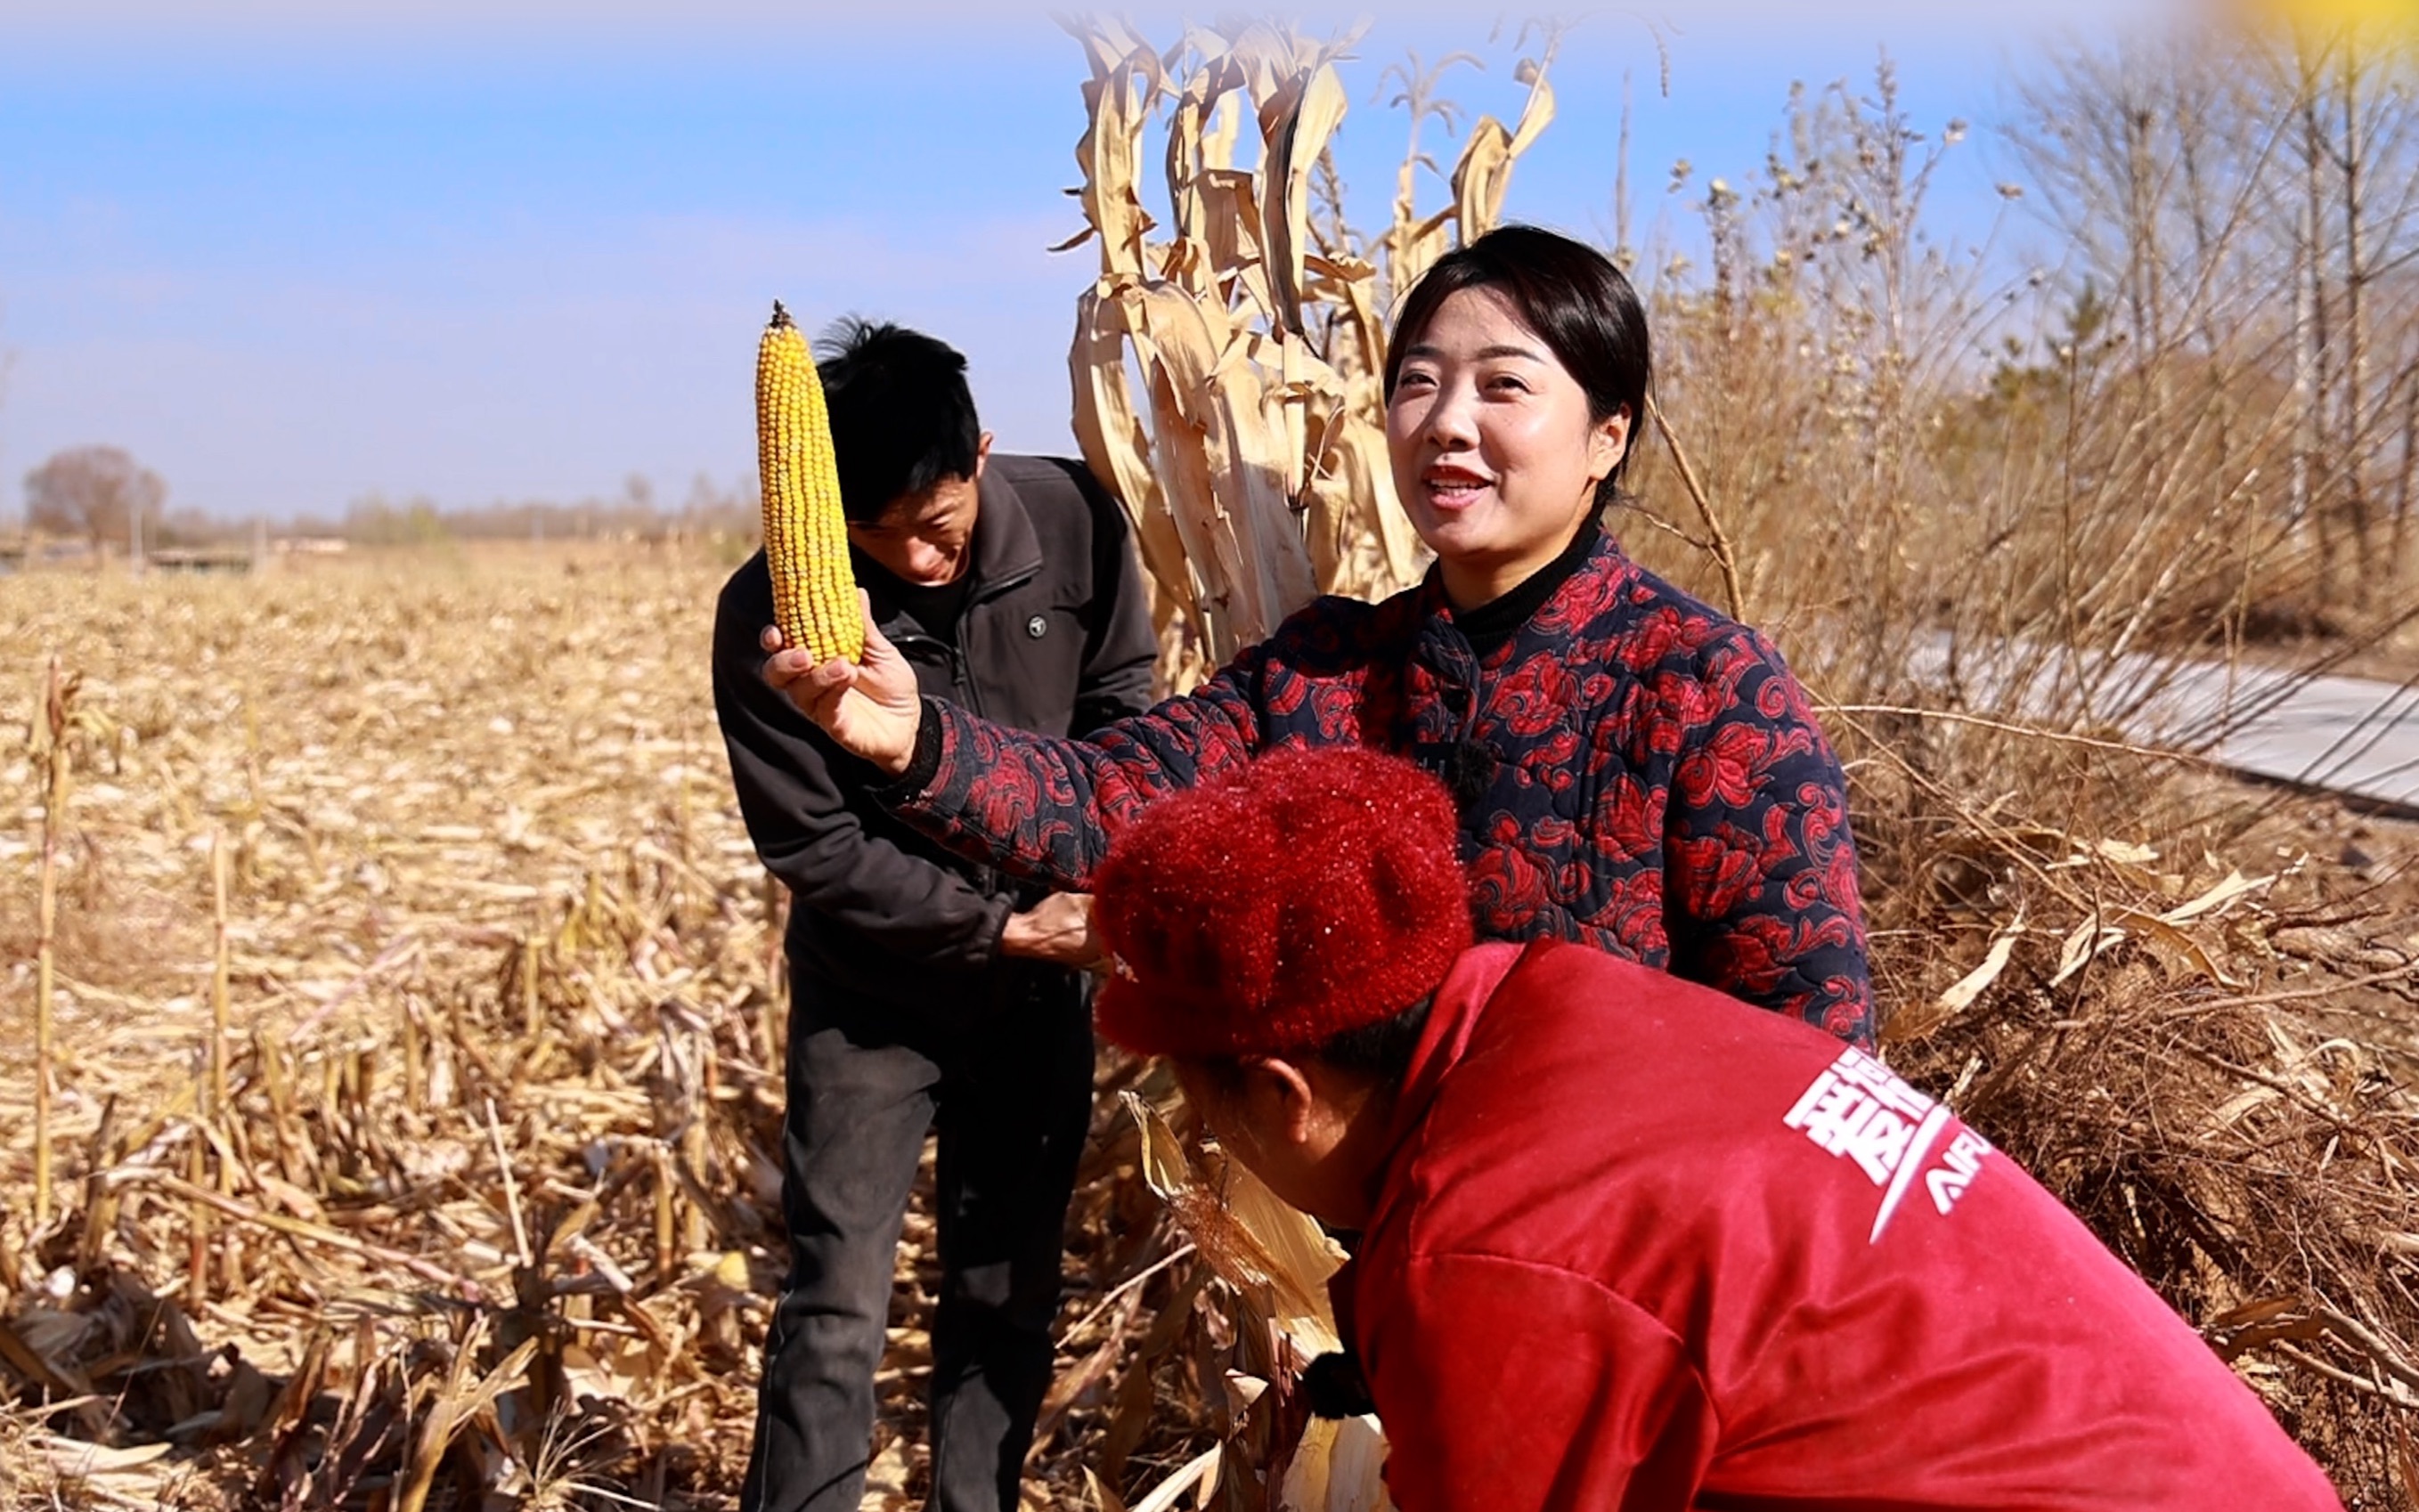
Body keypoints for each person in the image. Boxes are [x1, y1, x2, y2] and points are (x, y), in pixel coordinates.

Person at [1083, 744, 2345, 1512]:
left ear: (1283, 1093)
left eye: (1209, 1111)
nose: (1220, 1148)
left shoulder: (1490, 1254)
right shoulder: (1572, 1005)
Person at [767, 225, 1875, 1047]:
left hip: (1616, 1276)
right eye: (1418, 385)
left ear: (1605, 435)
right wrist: (917, 744)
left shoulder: (1703, 689)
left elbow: (1809, 1045)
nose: (1446, 423)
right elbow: (1115, 804)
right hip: (1382, 1257)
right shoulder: (1329, 672)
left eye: (1502, 388)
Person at [712, 318, 1156, 1512]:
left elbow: (1129, 714)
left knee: (1005, 1292)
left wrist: (1088, 898)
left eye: (936, 523)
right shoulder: (765, 611)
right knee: (835, 1302)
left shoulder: (1076, 522)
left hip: (1039, 994)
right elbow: (816, 843)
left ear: (984, 453)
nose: (912, 555)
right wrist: (1004, 927)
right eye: (876, 534)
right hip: (873, 999)